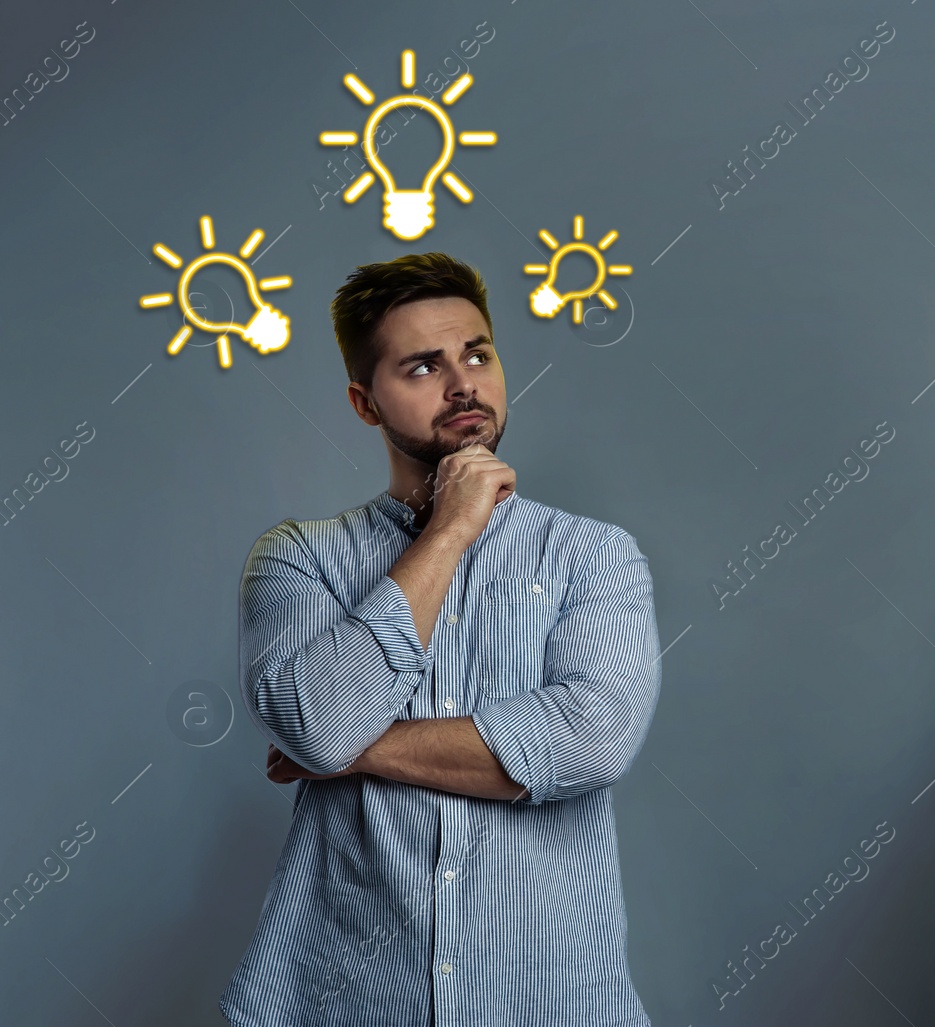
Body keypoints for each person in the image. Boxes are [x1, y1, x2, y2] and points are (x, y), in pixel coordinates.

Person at [220, 252, 660, 1027]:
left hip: (551, 1002)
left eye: (477, 354)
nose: (463, 383)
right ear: (365, 402)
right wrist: (453, 528)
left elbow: (593, 739)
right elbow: (317, 720)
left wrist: (354, 746)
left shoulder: (594, 555)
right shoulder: (297, 557)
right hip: (346, 1001)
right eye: (423, 366)